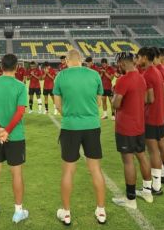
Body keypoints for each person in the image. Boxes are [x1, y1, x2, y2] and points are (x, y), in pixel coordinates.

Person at [53, 49, 107, 225]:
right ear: (81, 60)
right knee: (95, 170)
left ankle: (66, 213)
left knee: (68, 170)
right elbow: (98, 101)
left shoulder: (61, 76)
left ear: (67, 61)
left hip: (70, 127)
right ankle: (101, 211)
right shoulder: (94, 75)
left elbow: (57, 105)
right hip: (92, 126)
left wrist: (69, 115)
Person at [0, 54, 29, 223]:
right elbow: (20, 111)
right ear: (17, 67)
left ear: (0, 66)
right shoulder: (20, 86)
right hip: (14, 136)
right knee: (16, 173)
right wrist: (6, 130)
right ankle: (18, 212)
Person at [111, 52, 153, 209]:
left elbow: (116, 104)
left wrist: (113, 95)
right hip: (139, 125)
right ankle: (147, 191)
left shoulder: (123, 80)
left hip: (126, 127)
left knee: (128, 161)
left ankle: (130, 199)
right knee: (142, 156)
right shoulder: (141, 77)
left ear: (122, 63)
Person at [137, 47, 164, 196]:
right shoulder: (158, 71)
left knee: (152, 150)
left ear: (145, 57)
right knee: (161, 145)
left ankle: (156, 186)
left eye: (139, 57)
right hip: (159, 115)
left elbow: (148, 99)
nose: (138, 60)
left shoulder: (148, 74)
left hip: (150, 116)